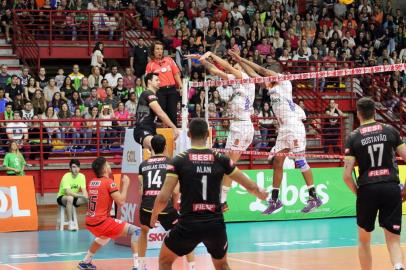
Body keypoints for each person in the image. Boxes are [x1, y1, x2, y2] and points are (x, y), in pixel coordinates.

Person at [150, 118, 268, 270]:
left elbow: (164, 197)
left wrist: (154, 216)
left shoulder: (179, 160)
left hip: (188, 224)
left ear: (189, 135)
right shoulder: (221, 159)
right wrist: (261, 194)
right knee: (222, 265)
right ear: (207, 134)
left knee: (165, 262)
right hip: (215, 224)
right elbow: (250, 186)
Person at [228, 50, 323, 214]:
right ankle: (275, 200)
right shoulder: (271, 88)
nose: (266, 78)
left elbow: (262, 71)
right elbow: (254, 75)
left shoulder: (284, 82)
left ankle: (314, 197)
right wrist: (240, 61)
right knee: (278, 162)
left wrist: (242, 58)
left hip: (293, 126)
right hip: (284, 129)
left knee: (300, 161)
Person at [186, 50, 256, 212]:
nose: (234, 67)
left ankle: (222, 200)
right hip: (238, 126)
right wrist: (201, 60)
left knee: (228, 165)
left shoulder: (246, 79)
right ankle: (222, 199)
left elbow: (226, 66)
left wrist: (210, 53)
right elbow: (215, 71)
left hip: (242, 126)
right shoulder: (237, 81)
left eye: (237, 66)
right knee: (228, 165)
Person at [343, 97, 406, 270]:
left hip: (367, 189)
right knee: (393, 239)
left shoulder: (353, 136)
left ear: (358, 113)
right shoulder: (390, 130)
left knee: (364, 240)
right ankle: (399, 266)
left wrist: (359, 193)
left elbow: (347, 176)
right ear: (375, 111)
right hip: (391, 187)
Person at [138, 134, 195, 270]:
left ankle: (140, 265)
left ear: (151, 147)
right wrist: (174, 206)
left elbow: (141, 190)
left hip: (146, 207)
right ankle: (192, 267)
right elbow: (175, 191)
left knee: (144, 232)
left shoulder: (143, 165)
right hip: (165, 208)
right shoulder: (171, 162)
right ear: (165, 147)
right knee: (185, 235)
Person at [78, 157, 141, 270]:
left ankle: (85, 261)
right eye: (108, 164)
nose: (110, 166)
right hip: (102, 222)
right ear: (105, 168)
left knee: (105, 237)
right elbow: (121, 202)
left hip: (90, 221)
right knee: (137, 231)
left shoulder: (92, 182)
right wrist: (126, 184)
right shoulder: (109, 182)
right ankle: (137, 266)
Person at [133, 72, 179, 150]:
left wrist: (159, 124)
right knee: (157, 145)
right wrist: (174, 127)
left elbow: (149, 117)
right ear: (149, 82)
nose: (159, 82)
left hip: (151, 130)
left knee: (161, 148)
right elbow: (160, 113)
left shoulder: (153, 96)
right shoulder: (147, 93)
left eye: (159, 80)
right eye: (157, 80)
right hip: (142, 130)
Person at [145, 41, 183, 126]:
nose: (160, 51)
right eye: (157, 49)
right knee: (161, 114)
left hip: (172, 90)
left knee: (173, 114)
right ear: (153, 51)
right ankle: (161, 137)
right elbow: (148, 81)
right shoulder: (150, 65)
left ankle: (174, 136)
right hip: (159, 92)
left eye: (161, 49)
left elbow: (176, 74)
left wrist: (181, 86)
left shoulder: (169, 60)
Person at [56, 159, 88, 231]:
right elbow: (68, 192)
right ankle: (70, 223)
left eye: (77, 167)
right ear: (70, 169)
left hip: (75, 197)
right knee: (70, 198)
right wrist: (80, 196)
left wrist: (86, 196)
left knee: (90, 199)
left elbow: (84, 190)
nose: (76, 169)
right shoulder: (66, 176)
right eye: (74, 167)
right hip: (62, 197)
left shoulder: (82, 176)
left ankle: (92, 220)